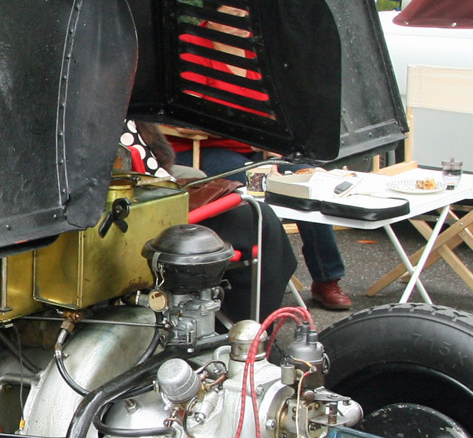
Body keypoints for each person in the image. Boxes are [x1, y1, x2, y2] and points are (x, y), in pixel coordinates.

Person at [137, 125, 355, 311]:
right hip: (207, 147)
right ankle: (254, 289)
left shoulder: (258, 77)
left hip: (258, 149)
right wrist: (246, 132)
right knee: (245, 185)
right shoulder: (202, 74)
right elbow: (187, 123)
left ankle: (327, 278)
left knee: (310, 182)